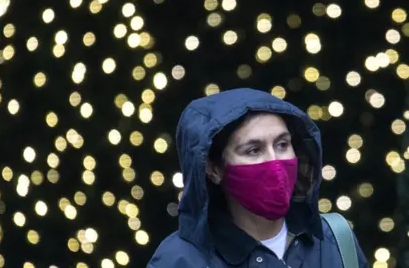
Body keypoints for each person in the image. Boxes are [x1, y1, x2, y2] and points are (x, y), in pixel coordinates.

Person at [147, 88, 368, 267]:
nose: (274, 161)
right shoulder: (179, 260)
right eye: (254, 150)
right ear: (213, 169)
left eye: (282, 145)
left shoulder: (336, 241)